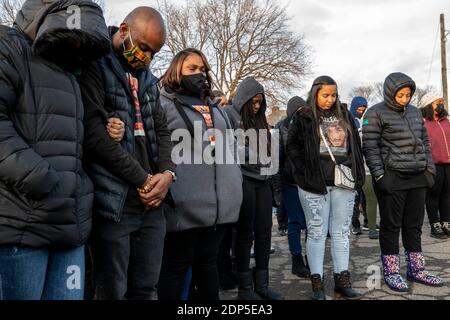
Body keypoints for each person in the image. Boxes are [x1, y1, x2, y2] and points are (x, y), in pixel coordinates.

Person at [0, 0, 110, 300]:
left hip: (70, 226)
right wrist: (42, 180)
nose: (77, 46)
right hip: (21, 225)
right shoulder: (9, 45)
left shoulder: (73, 70)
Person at [79, 7, 176, 300]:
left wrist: (167, 174)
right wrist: (144, 178)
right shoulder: (95, 64)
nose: (145, 57)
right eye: (143, 47)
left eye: (153, 53)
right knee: (111, 290)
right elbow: (94, 135)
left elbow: (162, 130)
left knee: (146, 288)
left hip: (151, 204)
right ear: (124, 30)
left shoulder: (148, 79)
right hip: (114, 203)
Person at [157, 48, 243, 300]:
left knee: (208, 264)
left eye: (202, 68)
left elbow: (229, 148)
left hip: (218, 207)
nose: (199, 74)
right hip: (182, 205)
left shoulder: (215, 107)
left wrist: (235, 181)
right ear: (176, 71)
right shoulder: (163, 104)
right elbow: (159, 150)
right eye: (191, 69)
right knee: (176, 265)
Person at [363, 72, 443, 292]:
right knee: (390, 227)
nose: (405, 98)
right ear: (390, 92)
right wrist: (380, 176)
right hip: (392, 178)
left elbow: (425, 143)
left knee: (414, 226)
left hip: (417, 177)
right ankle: (391, 271)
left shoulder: (416, 113)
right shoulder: (375, 113)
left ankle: (416, 269)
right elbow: (370, 147)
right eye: (401, 94)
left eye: (408, 94)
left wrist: (429, 171)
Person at [287, 76, 365, 300]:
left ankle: (342, 281)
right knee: (317, 233)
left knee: (341, 232)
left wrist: (355, 168)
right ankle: (317, 285)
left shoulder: (344, 114)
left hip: (344, 182)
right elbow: (292, 147)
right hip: (314, 185)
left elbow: (355, 147)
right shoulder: (303, 115)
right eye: (325, 95)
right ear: (315, 93)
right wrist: (304, 174)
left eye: (333, 95)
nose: (330, 99)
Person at [225, 77, 283, 300]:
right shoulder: (230, 115)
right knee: (244, 233)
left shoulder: (260, 120)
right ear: (243, 98)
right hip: (243, 180)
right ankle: (245, 288)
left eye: (260, 102)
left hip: (263, 181)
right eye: (253, 102)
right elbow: (233, 148)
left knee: (264, 231)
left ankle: (262, 285)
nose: (257, 106)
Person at [273, 96, 310, 278]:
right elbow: (276, 160)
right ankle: (296, 260)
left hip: (310, 182)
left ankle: (311, 258)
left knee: (312, 224)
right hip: (290, 181)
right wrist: (278, 188)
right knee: (294, 222)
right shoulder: (281, 127)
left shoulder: (311, 125)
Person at [420, 93, 450, 239]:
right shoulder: (423, 123)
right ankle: (435, 224)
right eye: (437, 102)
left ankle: (446, 222)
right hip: (433, 164)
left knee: (447, 194)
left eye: (442, 102)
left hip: (448, 164)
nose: (441, 105)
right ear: (429, 105)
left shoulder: (446, 121)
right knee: (433, 194)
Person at [349, 97, 379, 240]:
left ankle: (370, 224)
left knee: (370, 197)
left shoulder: (366, 121)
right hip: (353, 166)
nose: (361, 112)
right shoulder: (348, 121)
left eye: (363, 110)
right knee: (354, 199)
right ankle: (355, 225)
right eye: (359, 109)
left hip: (366, 166)